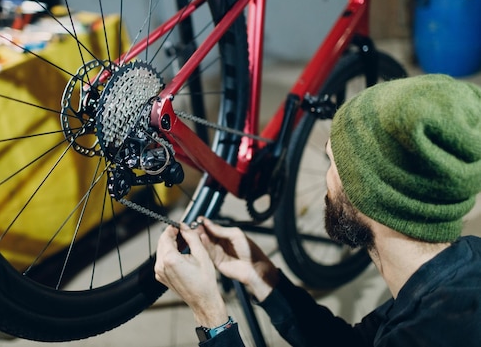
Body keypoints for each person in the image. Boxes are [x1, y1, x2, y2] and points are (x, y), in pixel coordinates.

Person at [154, 74, 481, 346]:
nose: (325, 179)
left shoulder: (432, 335)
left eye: (332, 164)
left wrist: (211, 318)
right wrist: (262, 276)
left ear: (373, 196)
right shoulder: (460, 268)